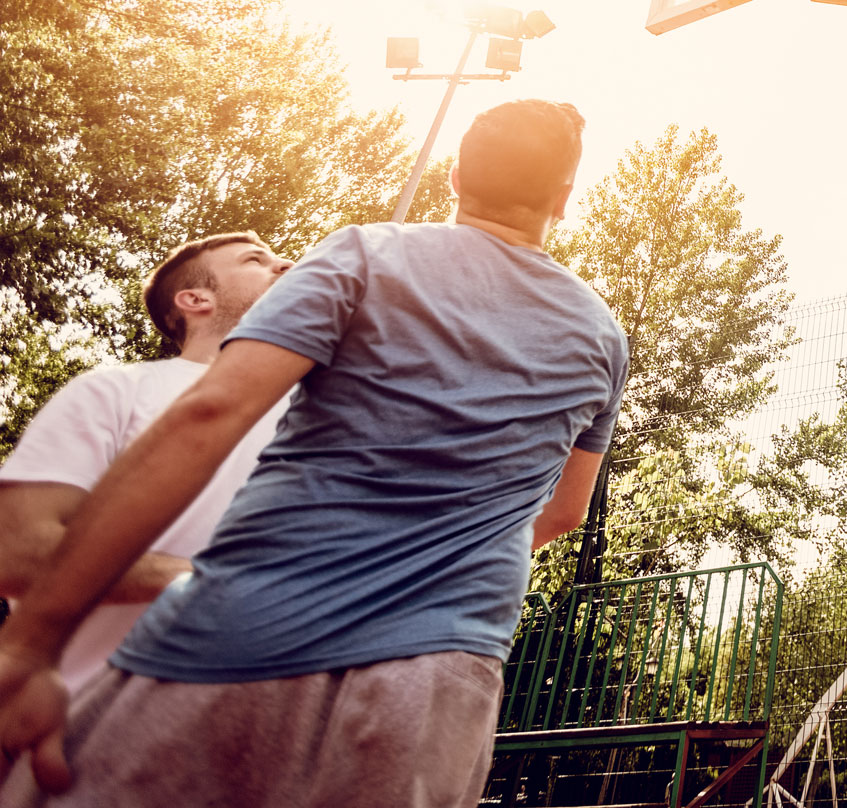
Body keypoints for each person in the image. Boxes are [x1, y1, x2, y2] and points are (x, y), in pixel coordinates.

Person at [0, 98, 628, 808]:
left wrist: (30, 641)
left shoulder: (366, 253)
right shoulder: (603, 336)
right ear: (563, 200)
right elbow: (564, 513)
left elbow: (211, 411)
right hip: (438, 673)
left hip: (245, 629)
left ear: (455, 177)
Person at [0, 234, 295, 692]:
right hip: (89, 724)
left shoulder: (331, 410)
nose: (286, 265)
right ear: (195, 299)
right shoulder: (117, 391)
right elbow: (13, 551)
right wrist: (221, 582)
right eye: (256, 260)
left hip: (281, 735)